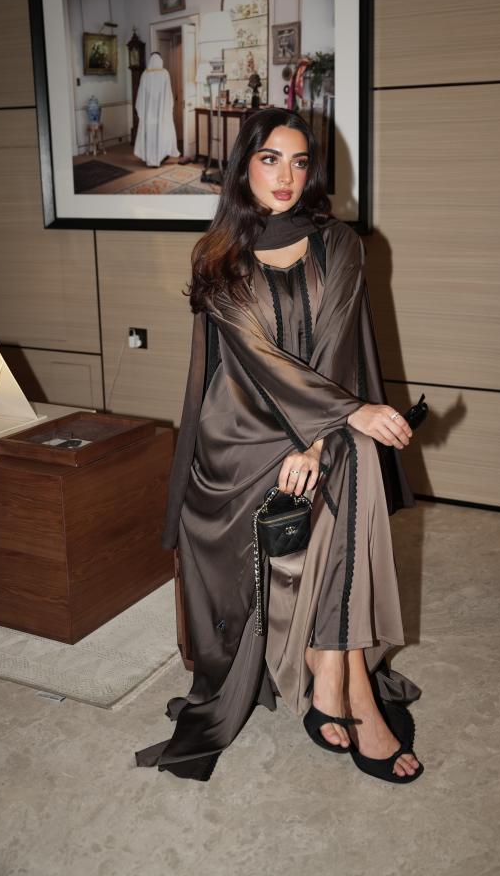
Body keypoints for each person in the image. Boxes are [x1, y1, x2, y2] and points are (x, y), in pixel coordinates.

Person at [135, 108, 424, 784]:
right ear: (244, 167)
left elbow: (337, 345)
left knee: (354, 463)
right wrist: (345, 417)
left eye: (299, 162)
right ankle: (342, 680)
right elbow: (259, 360)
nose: (286, 176)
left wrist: (320, 439)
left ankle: (339, 677)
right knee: (355, 450)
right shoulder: (217, 254)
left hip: (321, 422)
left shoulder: (339, 242)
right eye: (270, 159)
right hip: (240, 432)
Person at [133, 52, 179, 167]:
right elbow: (168, 94)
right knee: (161, 135)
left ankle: (150, 159)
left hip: (149, 115)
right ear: (160, 60)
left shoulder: (145, 74)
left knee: (150, 137)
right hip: (161, 114)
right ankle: (160, 157)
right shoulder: (165, 74)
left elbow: (141, 95)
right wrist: (169, 108)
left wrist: (141, 111)